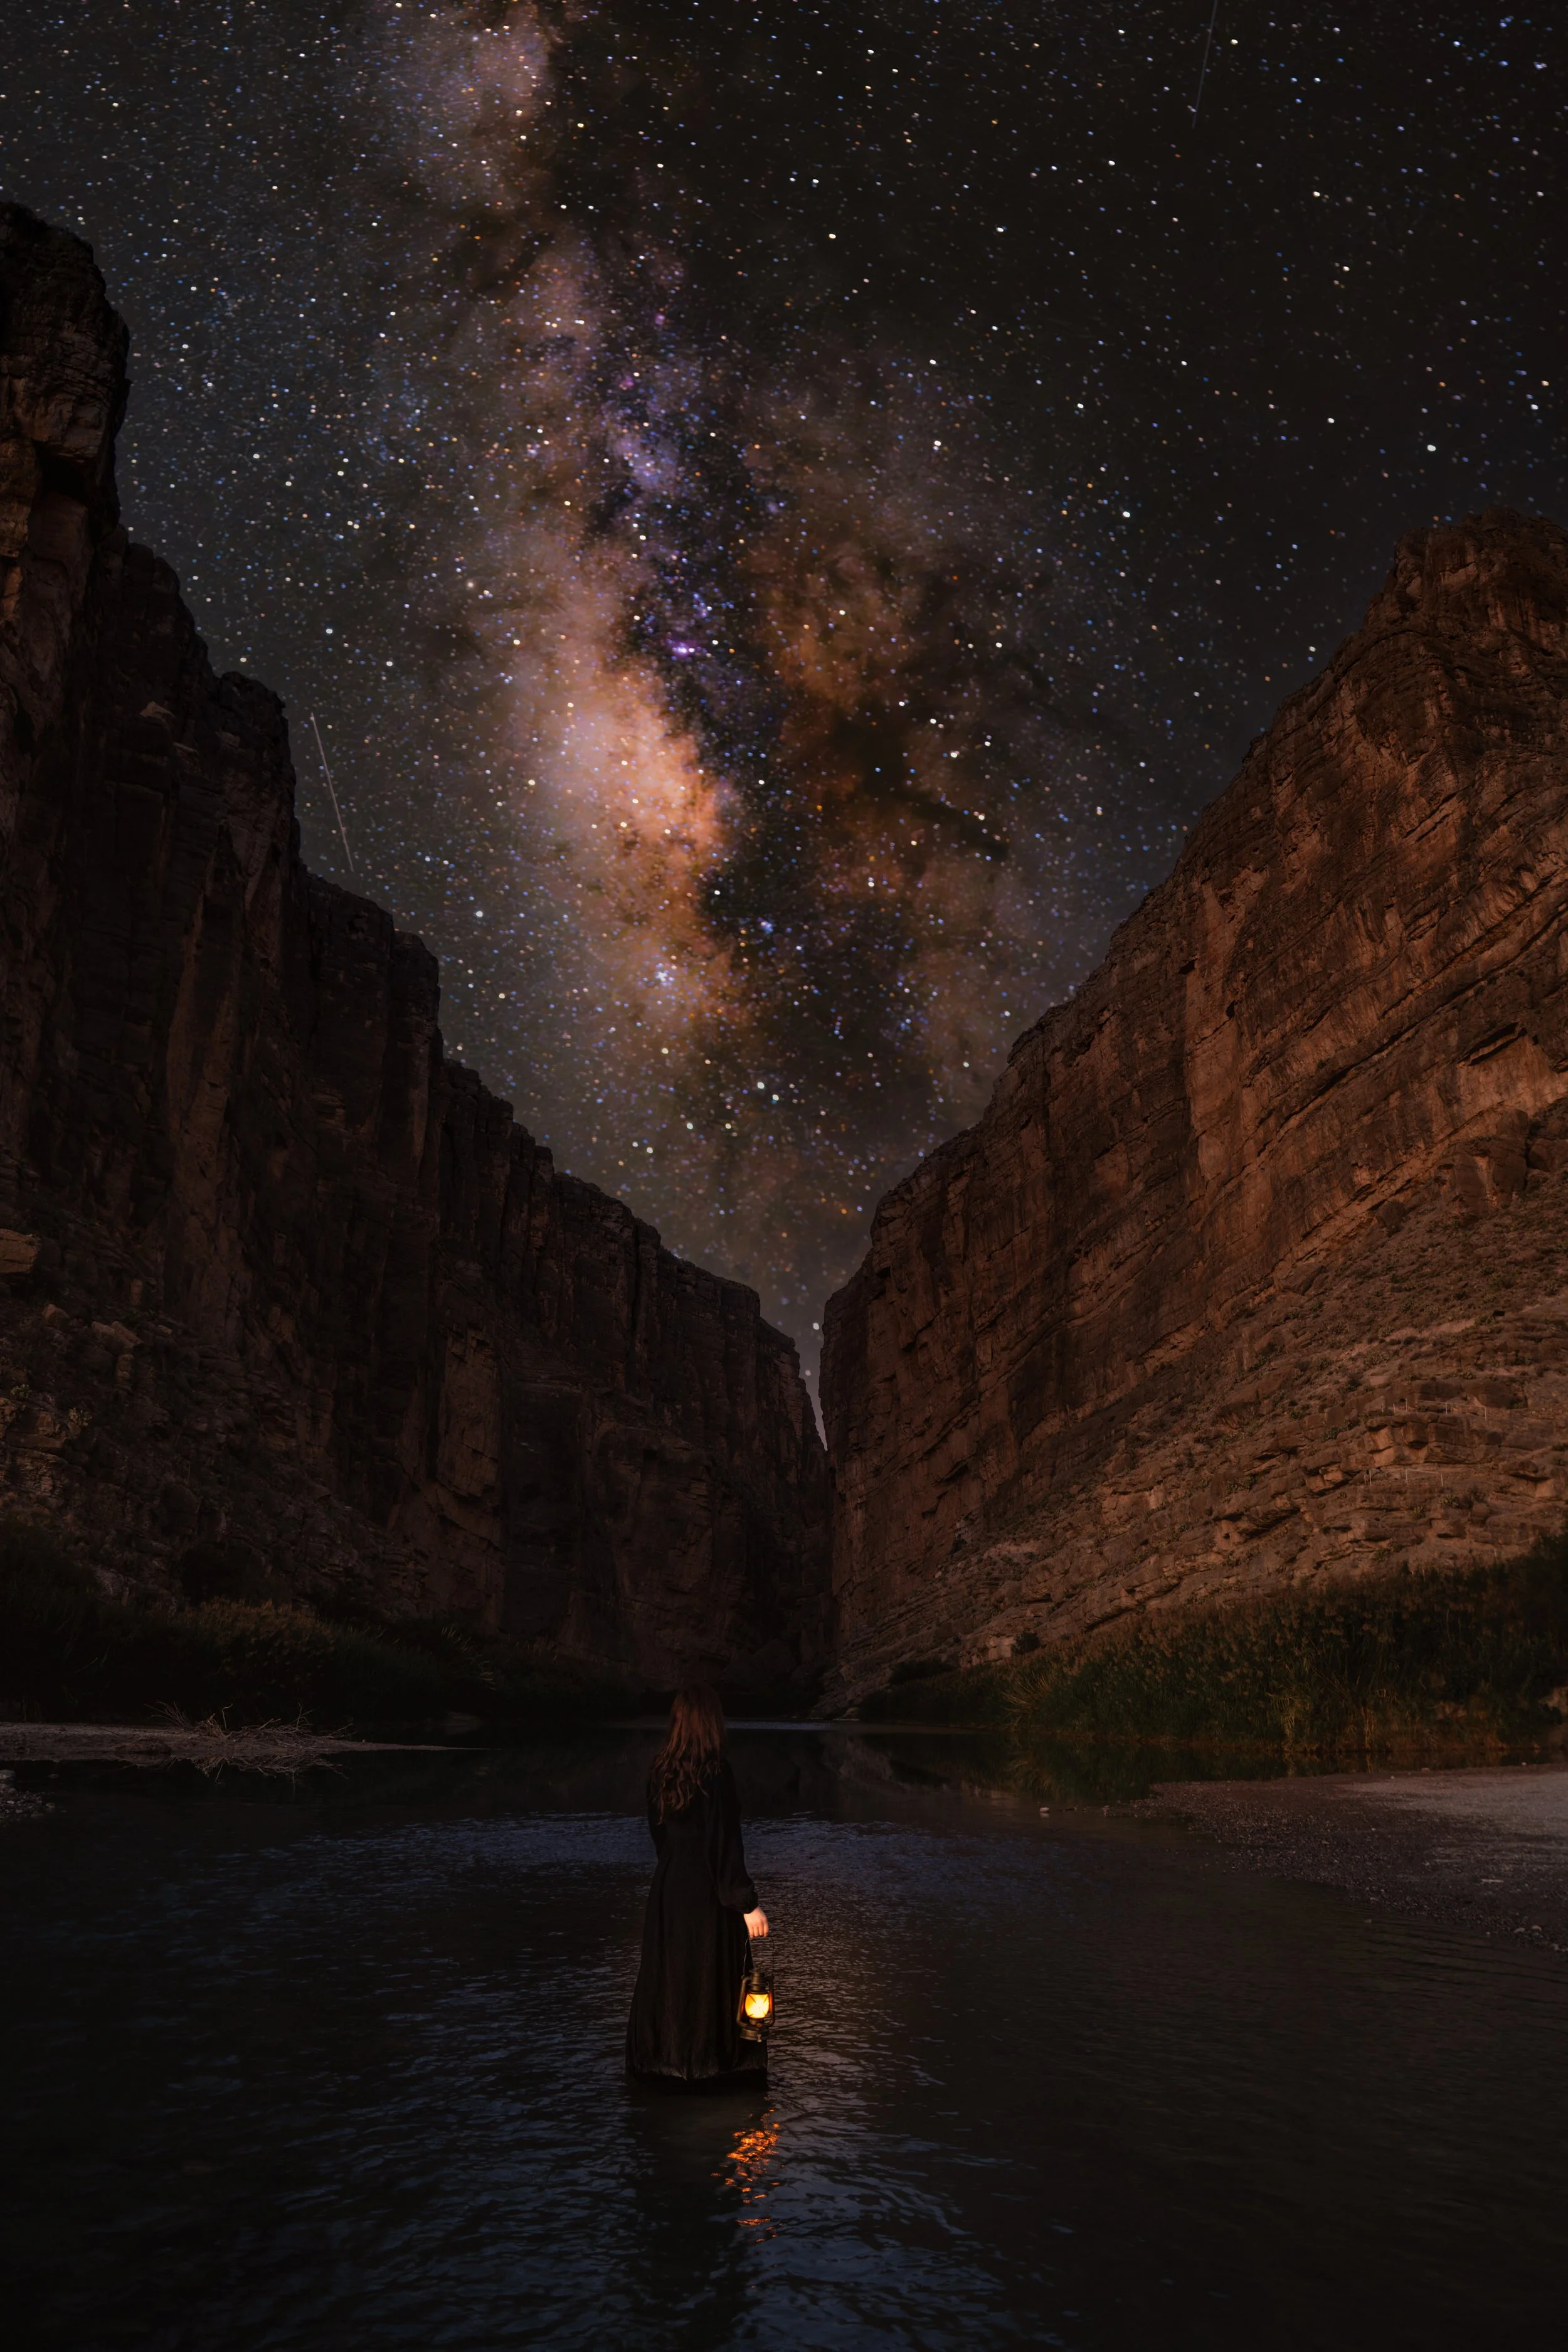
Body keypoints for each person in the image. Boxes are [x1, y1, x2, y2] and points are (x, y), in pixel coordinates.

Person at [625, 1683, 770, 2089]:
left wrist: (675, 1871)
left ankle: (665, 2062)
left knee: (670, 1975)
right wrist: (747, 1904)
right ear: (712, 1724)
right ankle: (711, 2066)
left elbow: (660, 1838)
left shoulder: (659, 1772)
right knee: (710, 1975)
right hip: (708, 1895)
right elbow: (725, 1845)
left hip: (670, 1890)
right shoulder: (719, 1775)